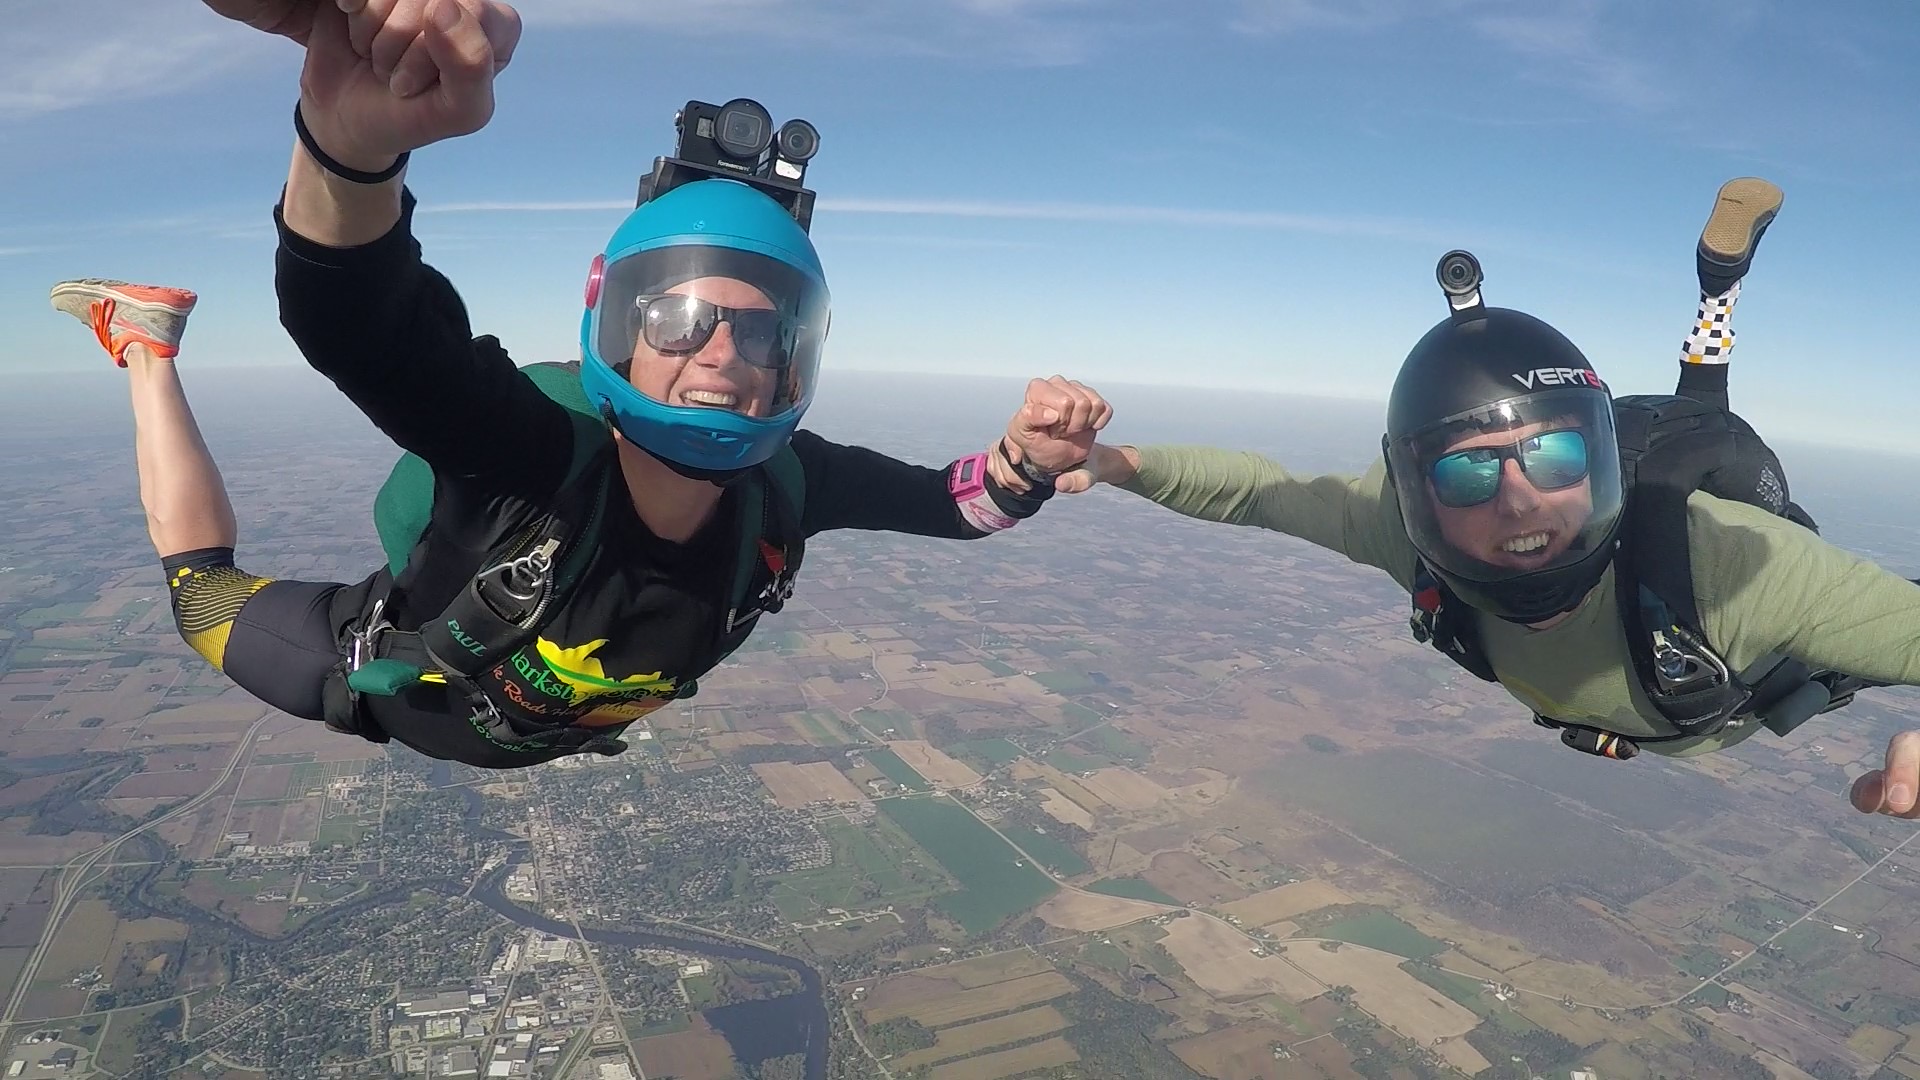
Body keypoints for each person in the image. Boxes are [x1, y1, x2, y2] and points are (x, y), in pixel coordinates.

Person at [61, 0, 1110, 770]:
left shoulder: (791, 488)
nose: (719, 352)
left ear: (795, 361)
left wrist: (1026, 461)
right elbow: (362, 325)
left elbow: (955, 505)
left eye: (760, 332)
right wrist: (349, 145)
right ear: (618, 322)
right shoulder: (525, 458)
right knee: (201, 596)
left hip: (534, 728)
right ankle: (146, 343)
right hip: (375, 681)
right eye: (681, 316)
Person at [1043, 177, 1920, 821]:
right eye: (1467, 472)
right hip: (1650, 634)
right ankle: (1714, 298)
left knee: (1701, 406)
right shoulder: (1403, 537)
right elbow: (1264, 491)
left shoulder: (1728, 564)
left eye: (1553, 453)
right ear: (1415, 495)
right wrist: (1121, 461)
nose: (1518, 498)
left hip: (1700, 519)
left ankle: (1719, 291)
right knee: (1697, 398)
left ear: (1597, 456)